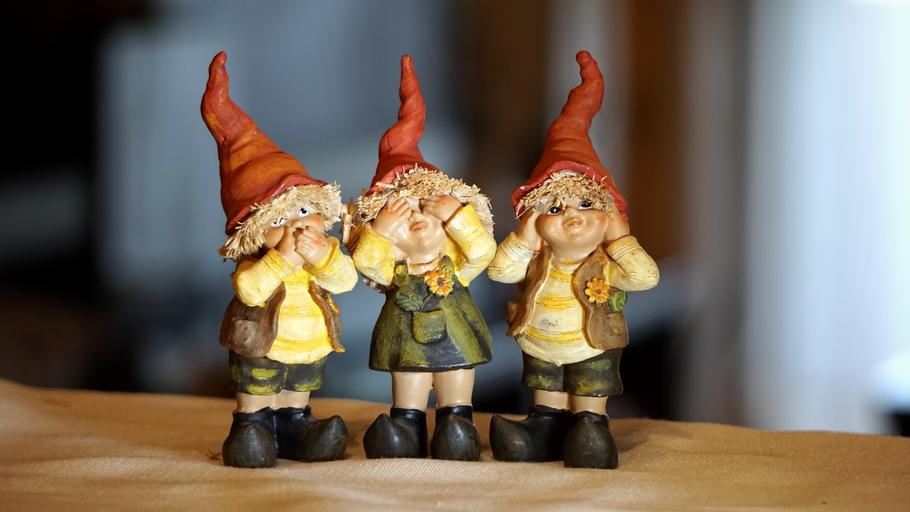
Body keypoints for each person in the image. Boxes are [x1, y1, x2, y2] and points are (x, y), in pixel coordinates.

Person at [487, 51, 659, 469]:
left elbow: (645, 277)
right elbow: (500, 271)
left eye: (586, 204)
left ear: (610, 215)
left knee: (587, 387)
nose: (572, 217)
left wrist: (621, 239)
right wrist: (524, 237)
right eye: (554, 209)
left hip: (590, 345)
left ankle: (589, 427)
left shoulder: (607, 265)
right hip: (541, 344)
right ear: (535, 220)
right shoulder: (536, 259)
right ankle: (543, 429)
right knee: (546, 389)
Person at [201, 52, 358, 468]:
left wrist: (322, 256)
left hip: (308, 345)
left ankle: (295, 426)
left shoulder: (321, 251)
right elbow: (250, 291)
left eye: (303, 211)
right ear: (254, 232)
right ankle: (252, 426)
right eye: (279, 220)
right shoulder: (259, 262)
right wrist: (282, 260)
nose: (296, 225)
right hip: (262, 344)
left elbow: (345, 281)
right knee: (259, 385)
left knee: (298, 388)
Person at [348, 55, 496, 461]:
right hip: (406, 345)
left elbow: (482, 250)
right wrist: (379, 232)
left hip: (456, 340)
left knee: (456, 385)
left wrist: (458, 216)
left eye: (426, 209)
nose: (417, 219)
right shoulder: (392, 269)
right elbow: (366, 263)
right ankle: (405, 431)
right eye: (402, 213)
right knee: (409, 389)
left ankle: (456, 427)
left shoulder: (457, 265)